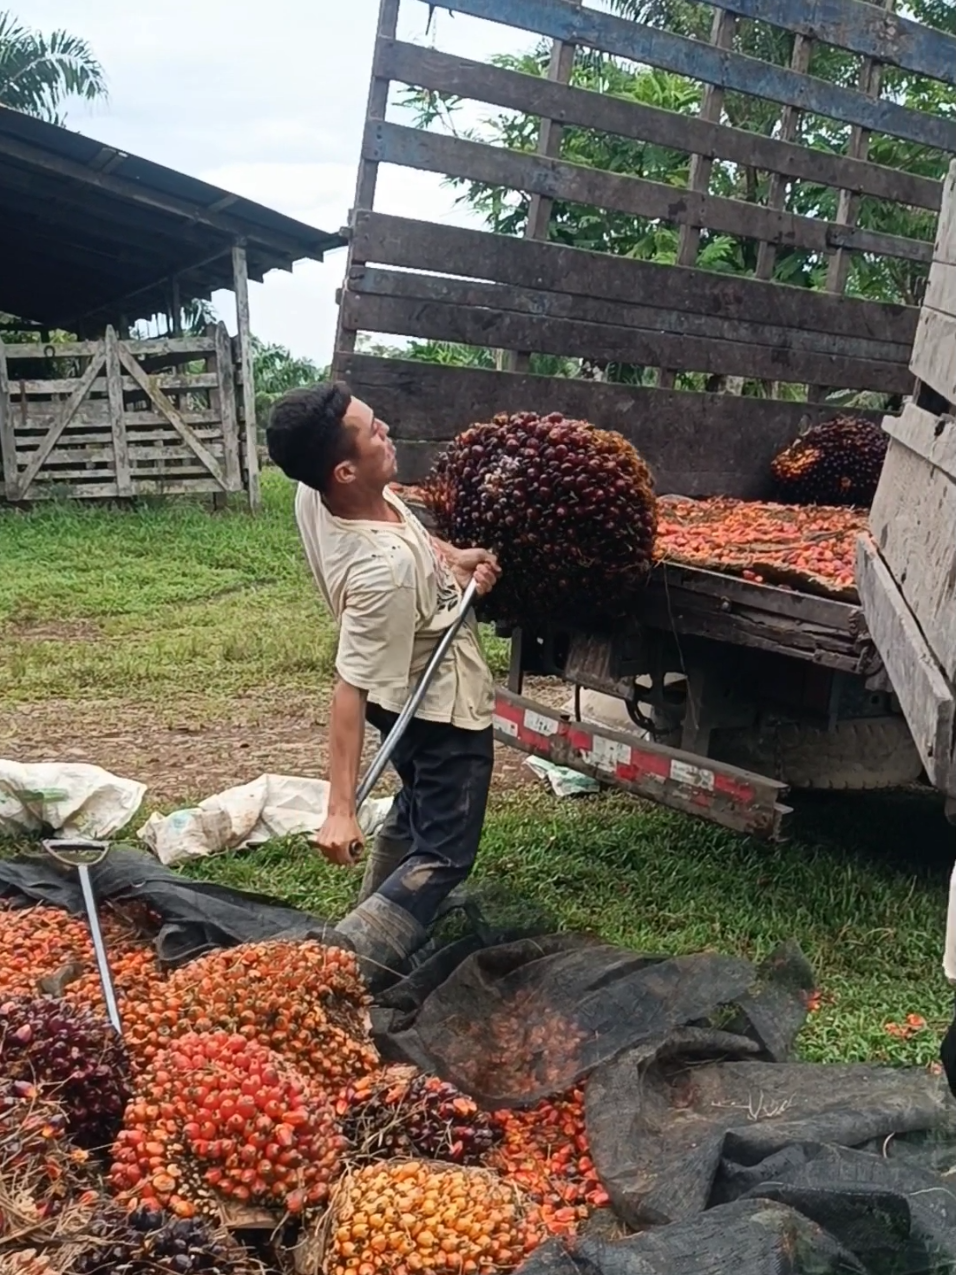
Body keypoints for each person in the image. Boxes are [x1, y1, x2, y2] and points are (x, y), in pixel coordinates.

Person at [265, 381, 500, 984]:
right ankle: (345, 972)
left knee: (418, 804)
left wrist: (451, 558)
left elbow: (404, 529)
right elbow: (349, 690)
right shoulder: (381, 576)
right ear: (344, 469)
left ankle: (370, 915)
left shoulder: (316, 486)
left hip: (402, 694)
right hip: (438, 703)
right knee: (446, 851)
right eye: (374, 432)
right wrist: (339, 810)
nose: (386, 430)